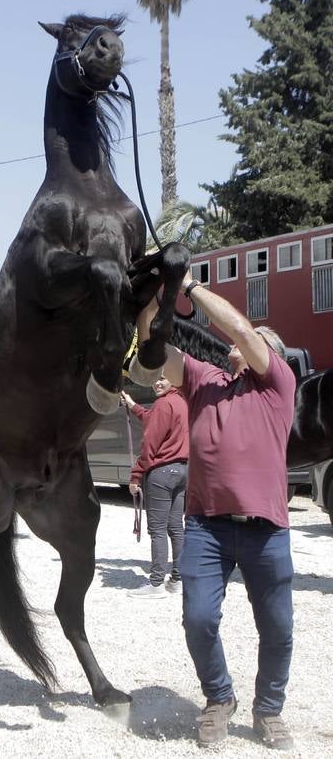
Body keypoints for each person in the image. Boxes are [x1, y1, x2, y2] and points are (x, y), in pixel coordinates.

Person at [133, 273, 296, 751]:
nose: (244, 339)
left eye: (257, 340)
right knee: (199, 618)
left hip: (266, 530)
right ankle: (219, 699)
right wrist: (150, 306)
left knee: (278, 627)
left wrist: (192, 287)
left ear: (271, 356)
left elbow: (244, 332)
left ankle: (268, 710)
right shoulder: (206, 380)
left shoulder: (276, 385)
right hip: (206, 526)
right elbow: (153, 357)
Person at [121, 376, 188, 598]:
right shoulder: (182, 401)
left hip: (161, 472)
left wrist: (136, 475)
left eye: (162, 378)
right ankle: (178, 580)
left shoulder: (163, 404)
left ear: (173, 380)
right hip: (182, 470)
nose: (157, 383)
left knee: (157, 530)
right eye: (155, 379)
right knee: (176, 527)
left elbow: (150, 442)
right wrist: (132, 405)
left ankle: (157, 583)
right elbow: (153, 419)